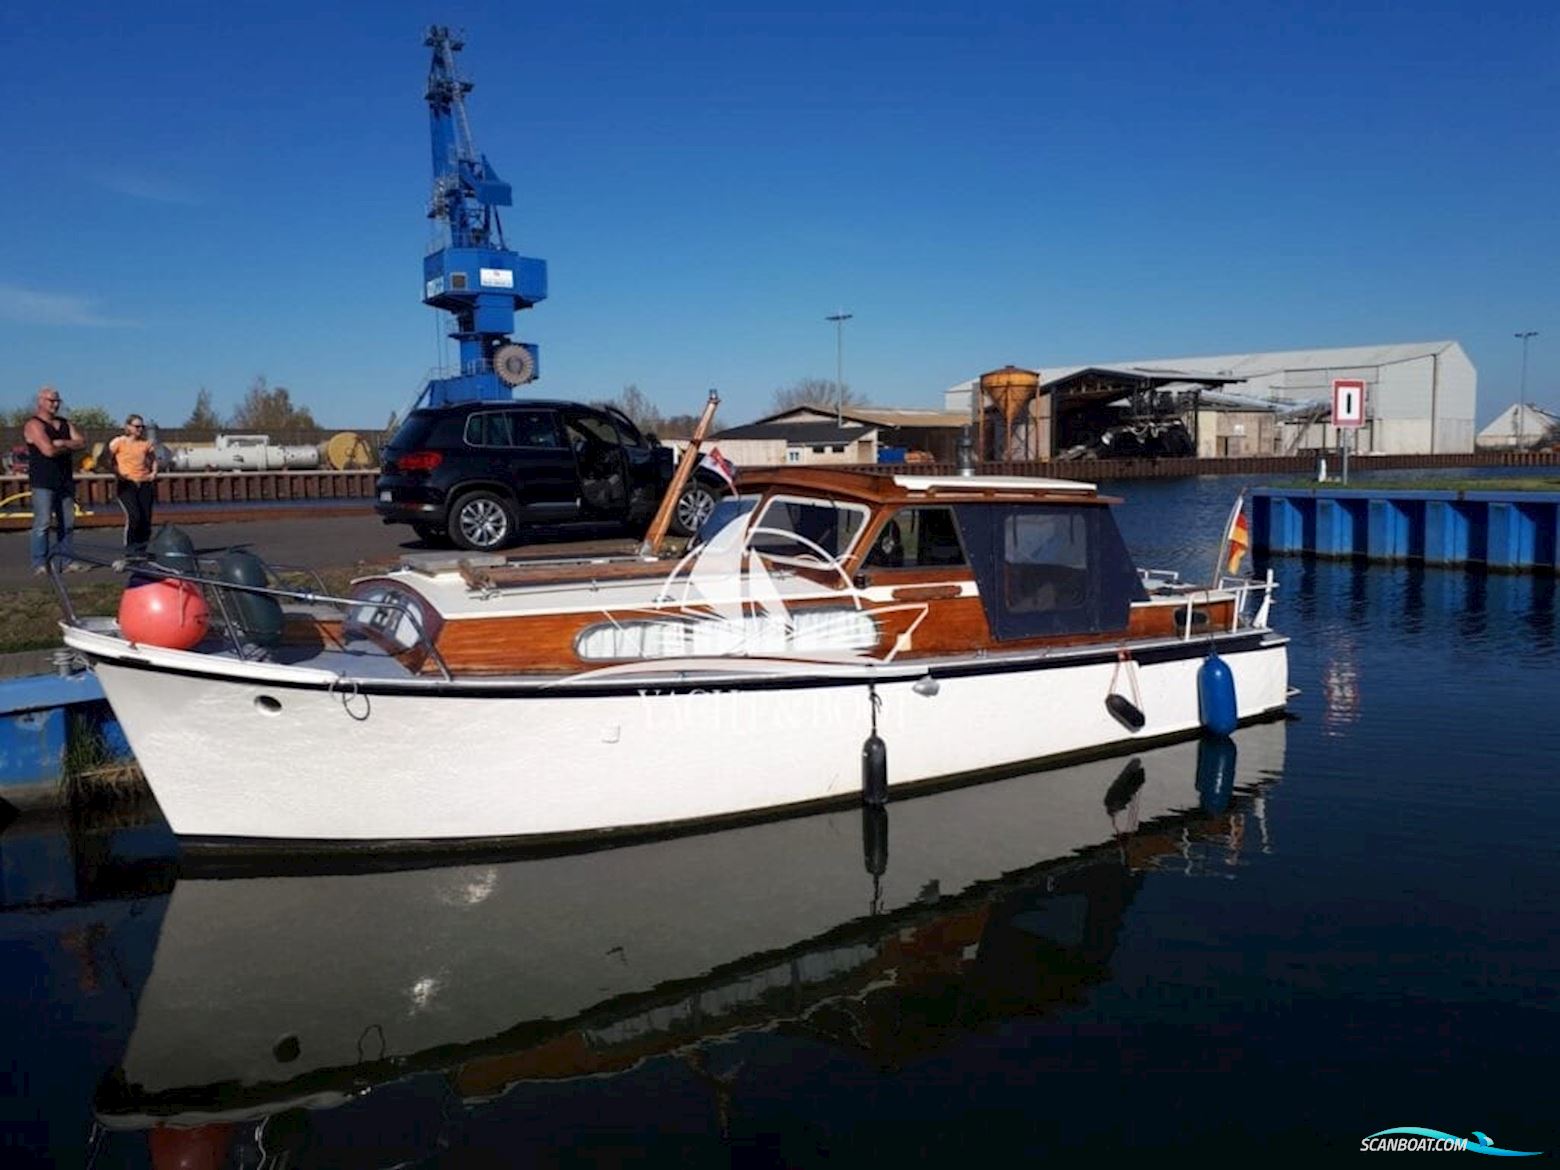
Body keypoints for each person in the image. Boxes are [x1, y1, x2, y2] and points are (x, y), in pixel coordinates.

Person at [24, 385, 87, 574]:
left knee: (67, 523)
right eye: (51, 400)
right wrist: (68, 445)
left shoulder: (65, 424)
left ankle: (67, 561)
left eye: (58, 400)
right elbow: (48, 450)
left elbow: (82, 442)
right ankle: (40, 562)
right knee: (43, 523)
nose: (56, 404)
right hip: (43, 481)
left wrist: (63, 442)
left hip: (65, 480)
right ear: (41, 401)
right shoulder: (34, 425)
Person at [107, 413, 157, 556]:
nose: (140, 429)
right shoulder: (119, 442)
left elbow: (153, 458)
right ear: (128, 427)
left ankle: (141, 550)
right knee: (134, 516)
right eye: (137, 426)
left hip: (144, 482)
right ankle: (130, 550)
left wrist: (153, 473)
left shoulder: (145, 444)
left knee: (146, 520)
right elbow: (106, 458)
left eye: (142, 427)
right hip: (127, 483)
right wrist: (117, 473)